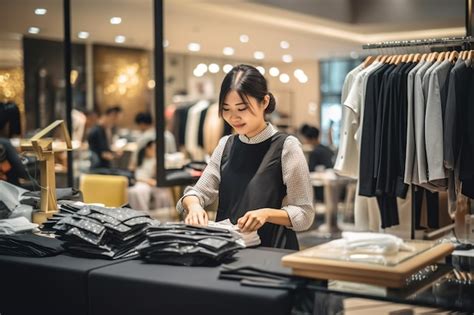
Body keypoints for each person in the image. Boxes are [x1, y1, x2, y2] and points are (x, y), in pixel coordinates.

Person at [176, 64, 314, 249]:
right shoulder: (226, 145)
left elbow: (304, 214)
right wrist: (193, 206)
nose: (233, 118)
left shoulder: (286, 146)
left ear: (264, 102)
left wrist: (266, 214)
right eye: (226, 109)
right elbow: (198, 192)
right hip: (226, 249)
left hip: (272, 251)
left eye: (241, 109)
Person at [128, 140, 173, 211]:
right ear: (147, 148)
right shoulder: (139, 159)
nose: (153, 151)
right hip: (137, 181)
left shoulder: (156, 160)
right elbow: (131, 171)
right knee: (133, 191)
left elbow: (156, 175)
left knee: (139, 191)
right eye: (152, 149)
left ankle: (143, 212)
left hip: (147, 182)